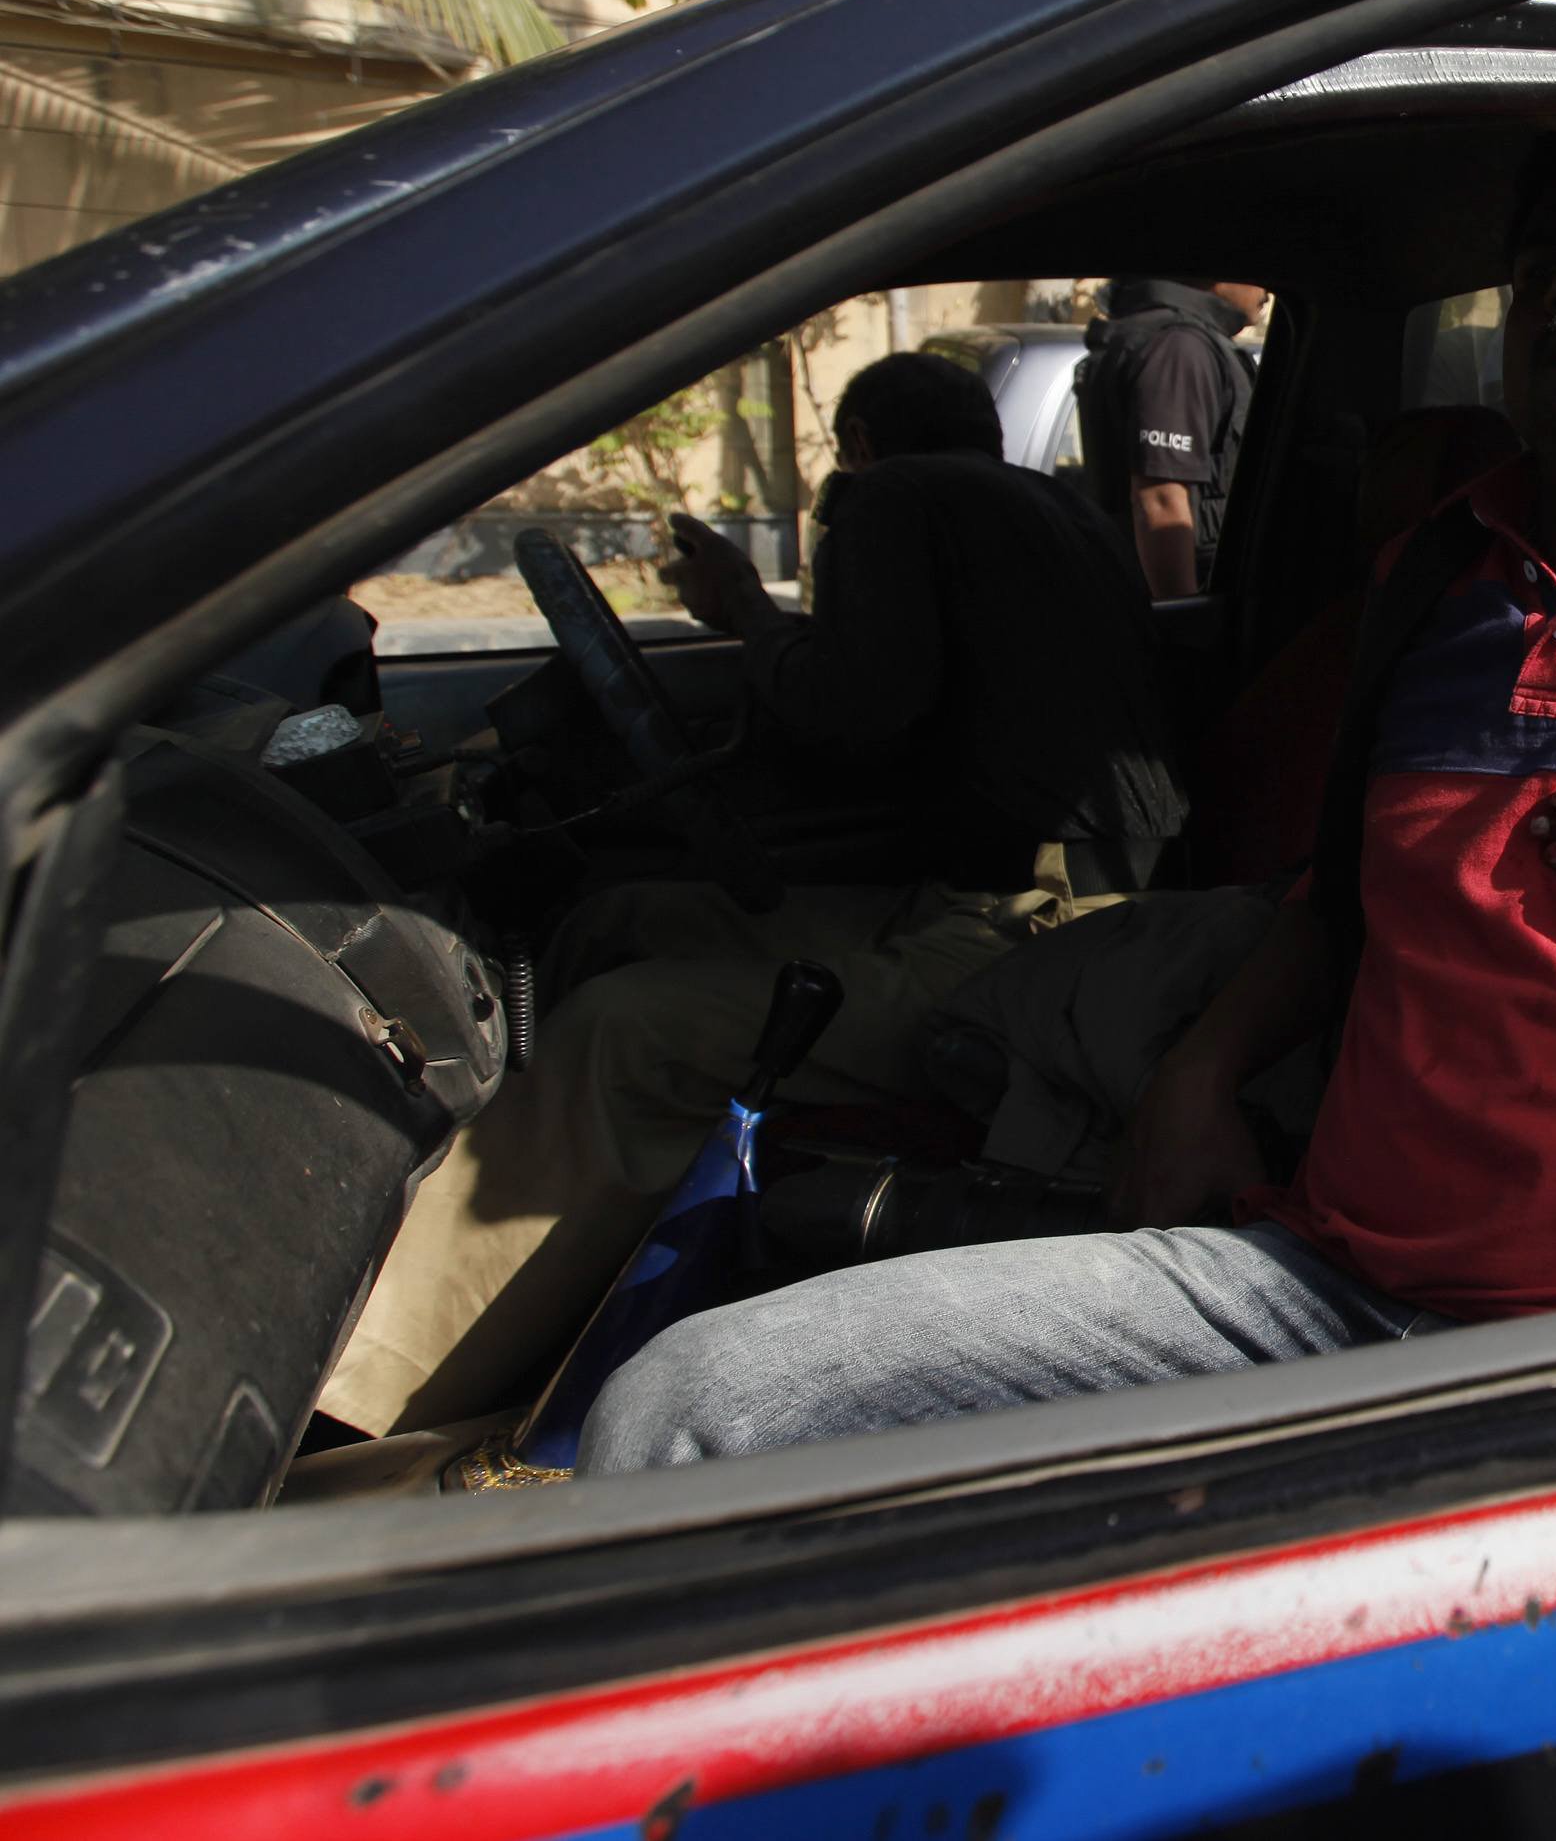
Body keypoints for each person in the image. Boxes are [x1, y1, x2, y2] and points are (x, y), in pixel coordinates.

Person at [583, 132, 1556, 1469]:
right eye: (1542, 271)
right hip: (1316, 1289)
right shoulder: (1428, 589)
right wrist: (1201, 1072)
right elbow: (1342, 899)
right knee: (688, 1400)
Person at [320, 352, 1188, 1438]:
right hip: (1003, 896)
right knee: (614, 915)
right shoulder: (1053, 505)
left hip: (1025, 937)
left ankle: (355, 1401)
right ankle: (541, 1273)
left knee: (618, 1032)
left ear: (861, 442)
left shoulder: (892, 498)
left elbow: (850, 708)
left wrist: (743, 609)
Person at [1090, 276, 1270, 598]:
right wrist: (1183, 617)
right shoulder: (1180, 346)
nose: (1266, 291)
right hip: (1181, 596)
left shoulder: (1180, 338)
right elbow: (1159, 502)